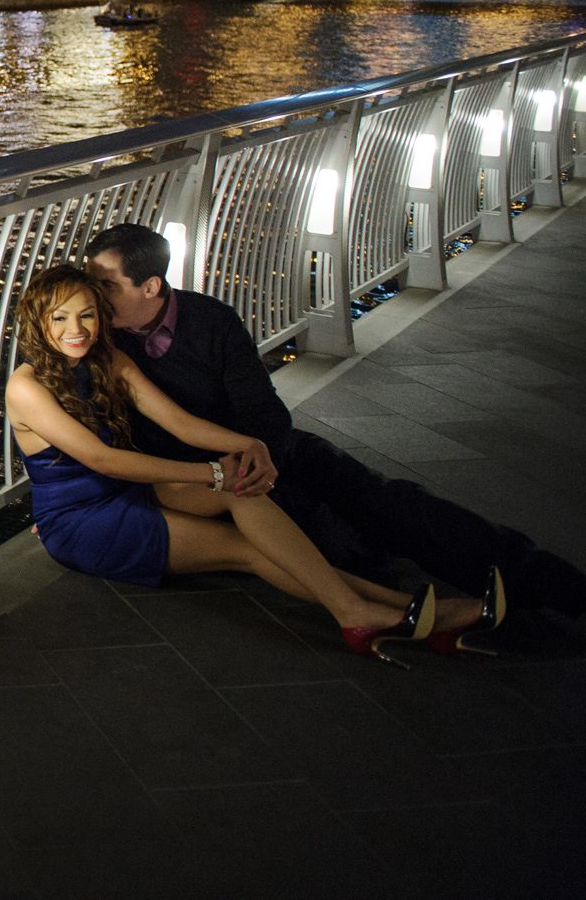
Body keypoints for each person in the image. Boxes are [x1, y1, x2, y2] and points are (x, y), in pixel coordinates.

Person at [83, 221, 586, 621]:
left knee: (392, 504)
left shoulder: (210, 321)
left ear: (150, 286)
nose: (92, 299)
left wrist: (263, 461)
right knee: (334, 548)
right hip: (199, 482)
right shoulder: (95, 339)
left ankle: (546, 582)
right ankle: (452, 610)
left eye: (104, 285)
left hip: (264, 454)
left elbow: (263, 410)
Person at [6, 266, 497, 664]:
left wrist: (249, 444)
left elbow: (179, 423)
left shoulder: (107, 360)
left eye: (87, 315)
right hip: (81, 521)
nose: (77, 330)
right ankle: (384, 613)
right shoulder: (26, 387)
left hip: (128, 496)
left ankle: (389, 614)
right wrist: (213, 472)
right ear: (38, 323)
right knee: (248, 548)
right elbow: (102, 459)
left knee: (244, 489)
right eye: (60, 319)